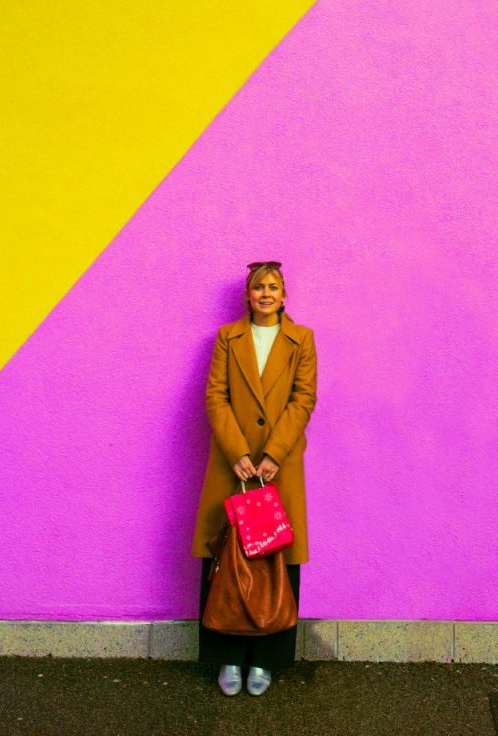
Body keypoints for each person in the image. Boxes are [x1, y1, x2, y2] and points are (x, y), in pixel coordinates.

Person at [191, 261, 318, 696]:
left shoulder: (302, 340)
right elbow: (215, 395)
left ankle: (266, 661)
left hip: (278, 466)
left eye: (273, 286)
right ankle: (226, 656)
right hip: (235, 466)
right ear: (248, 295)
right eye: (258, 286)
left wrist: (274, 453)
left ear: (284, 295)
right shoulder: (228, 338)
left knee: (275, 559)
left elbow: (304, 398)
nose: (265, 293)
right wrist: (239, 452)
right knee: (226, 559)